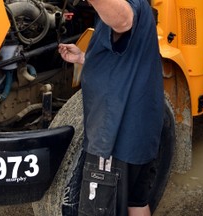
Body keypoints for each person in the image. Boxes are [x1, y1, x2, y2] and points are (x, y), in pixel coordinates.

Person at [58, 0, 164, 215]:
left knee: (99, 209)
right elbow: (119, 59)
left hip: (116, 135)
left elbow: (123, 20)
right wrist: (82, 57)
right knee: (136, 200)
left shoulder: (128, 6)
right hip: (140, 132)